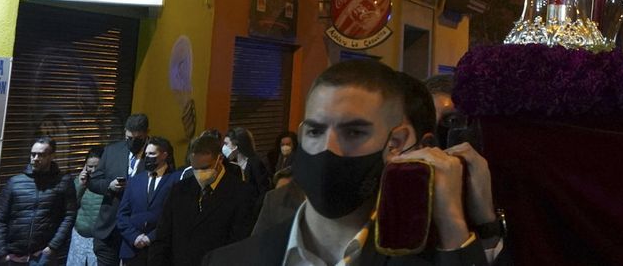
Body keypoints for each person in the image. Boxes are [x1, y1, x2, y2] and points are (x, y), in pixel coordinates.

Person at [209, 61, 499, 265]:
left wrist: (455, 223)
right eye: (315, 131)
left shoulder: (428, 253)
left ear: (395, 143)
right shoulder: (228, 260)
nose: (327, 149)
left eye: (353, 132)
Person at [145, 132, 255, 266]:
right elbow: (162, 238)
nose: (200, 174)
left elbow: (237, 245)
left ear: (219, 160)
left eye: (205, 167)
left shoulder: (241, 193)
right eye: (195, 168)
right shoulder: (180, 190)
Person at [0, 136, 78, 266]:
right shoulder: (15, 183)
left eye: (41, 155)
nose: (35, 159)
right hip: (13, 256)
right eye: (33, 154)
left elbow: (69, 216)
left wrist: (52, 247)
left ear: (52, 156)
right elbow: (0, 218)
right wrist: (2, 253)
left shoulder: (63, 182)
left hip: (42, 256)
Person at [89, 114, 149, 266]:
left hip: (137, 230)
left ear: (147, 133)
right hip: (109, 229)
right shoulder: (112, 151)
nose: (133, 142)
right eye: (129, 137)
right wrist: (109, 185)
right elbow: (94, 181)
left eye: (138, 138)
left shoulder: (155, 154)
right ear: (124, 132)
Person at [116, 138, 175, 261]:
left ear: (164, 155)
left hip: (159, 252)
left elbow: (174, 217)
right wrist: (134, 237)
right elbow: (122, 215)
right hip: (132, 250)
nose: (148, 157)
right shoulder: (135, 181)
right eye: (146, 154)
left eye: (152, 154)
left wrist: (150, 237)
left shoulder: (175, 180)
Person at [66, 153, 104, 266]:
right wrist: (81, 185)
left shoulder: (108, 184)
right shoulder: (79, 182)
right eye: (90, 166)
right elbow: (71, 206)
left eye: (97, 167)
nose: (93, 170)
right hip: (80, 236)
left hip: (100, 240)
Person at [222, 128, 271, 193]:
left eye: (226, 144)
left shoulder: (256, 163)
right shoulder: (228, 163)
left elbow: (263, 190)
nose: (224, 147)